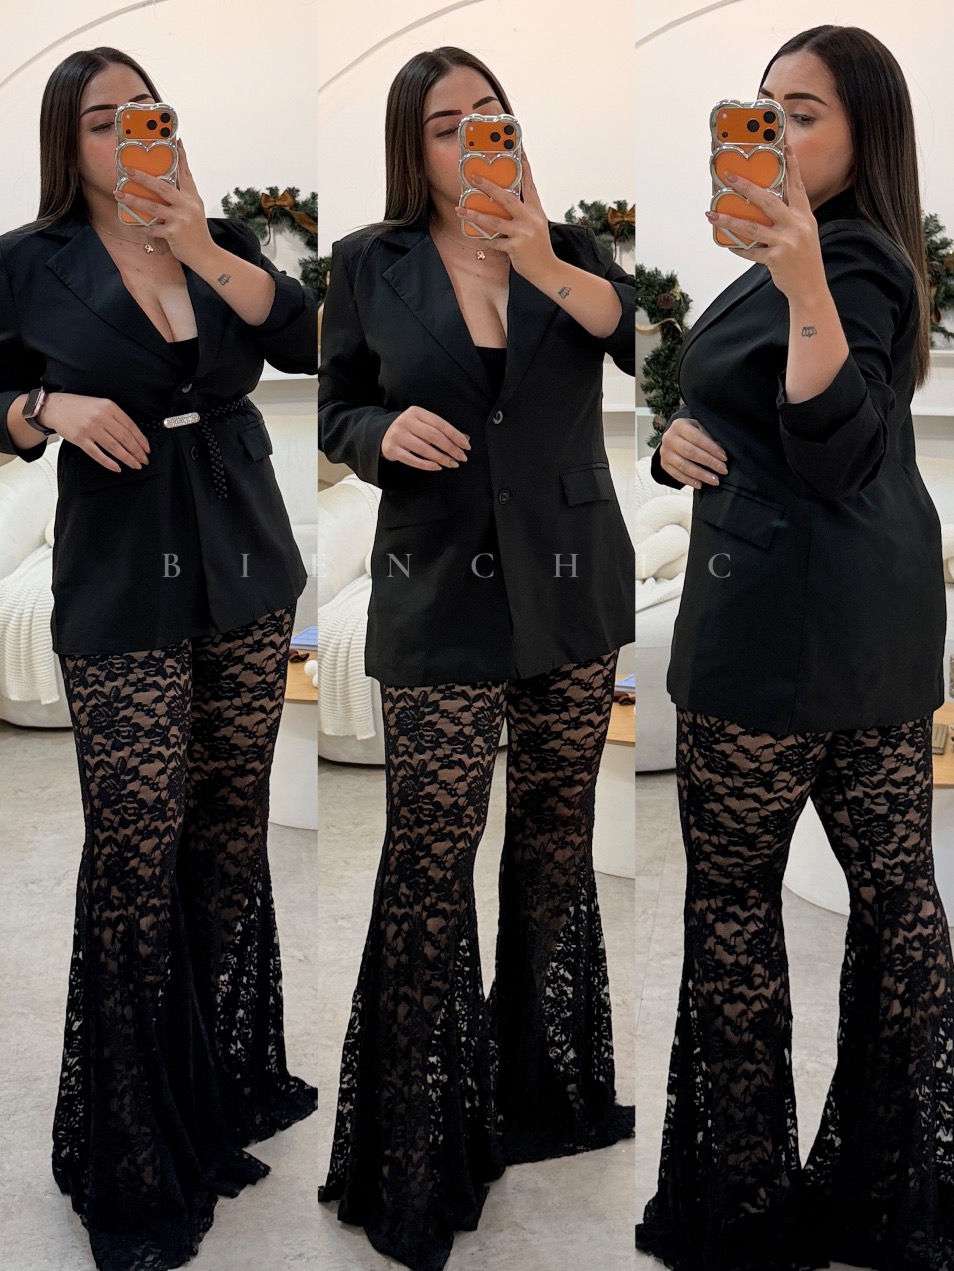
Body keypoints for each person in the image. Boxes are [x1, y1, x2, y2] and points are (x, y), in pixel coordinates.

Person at [634, 24, 953, 1271]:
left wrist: (806, 276)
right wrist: (673, 436)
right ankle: (900, 1193)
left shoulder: (844, 257)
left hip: (777, 625)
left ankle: (753, 1212)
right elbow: (748, 408)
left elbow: (838, 446)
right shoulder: (788, 254)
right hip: (873, 623)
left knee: (739, 906)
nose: (772, 129)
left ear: (869, 134)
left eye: (803, 112)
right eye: (762, 107)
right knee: (899, 899)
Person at [316, 45, 636, 1271]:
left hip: (570, 580)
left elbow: (630, 338)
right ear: (414, 144)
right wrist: (377, 431)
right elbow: (338, 406)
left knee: (554, 844)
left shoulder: (577, 248)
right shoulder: (368, 261)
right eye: (447, 123)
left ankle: (539, 1091)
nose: (472, 138)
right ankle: (413, 1142)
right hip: (438, 584)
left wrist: (537, 248)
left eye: (490, 116)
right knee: (428, 853)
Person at [0, 47, 318, 1271]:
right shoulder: (29, 261)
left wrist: (198, 244)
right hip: (122, 563)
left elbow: (310, 343)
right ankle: (131, 1145)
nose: (133, 131)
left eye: (148, 111)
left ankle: (215, 1083)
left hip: (244, 548)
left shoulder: (223, 237)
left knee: (229, 828)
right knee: (136, 843)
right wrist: (44, 409)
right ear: (67, 141)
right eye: (103, 119)